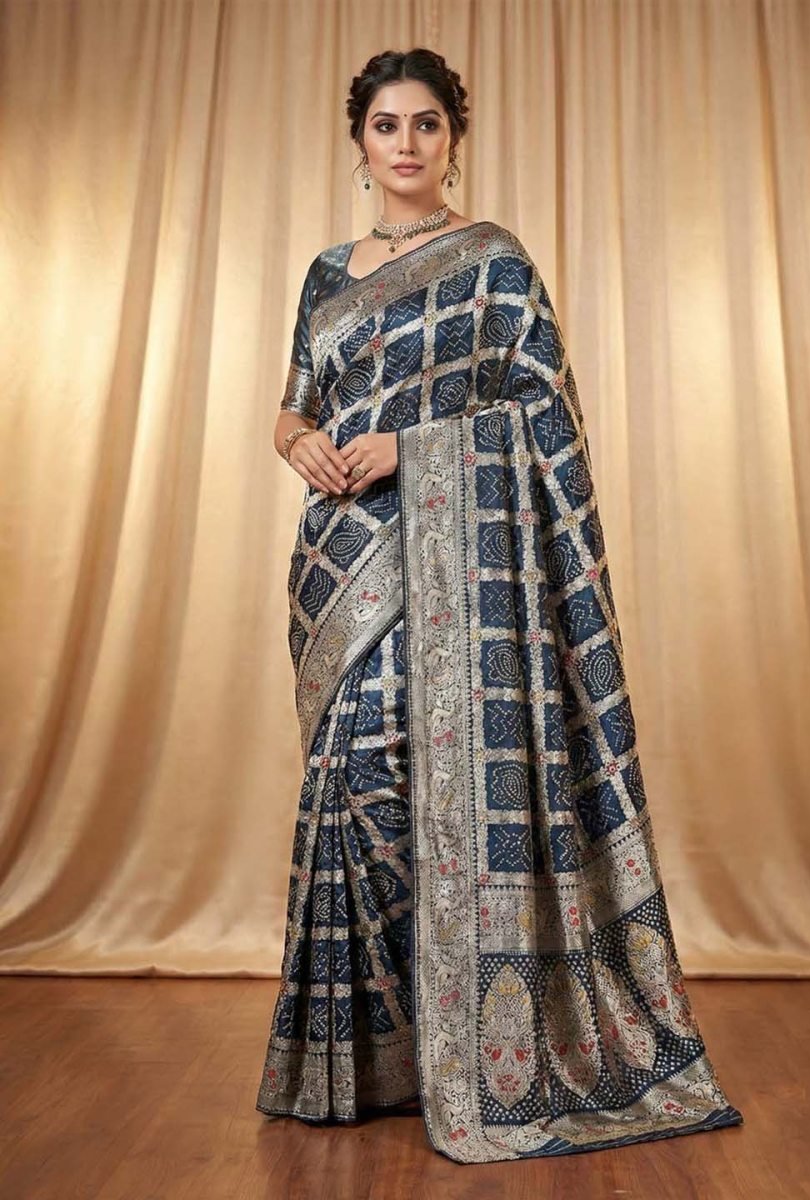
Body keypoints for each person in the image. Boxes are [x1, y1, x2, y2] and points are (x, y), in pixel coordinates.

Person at [256, 46, 744, 1166]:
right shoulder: (327, 275)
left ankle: (472, 1053)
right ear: (360, 143)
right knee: (353, 789)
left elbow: (546, 414)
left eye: (427, 124)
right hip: (340, 561)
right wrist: (301, 445)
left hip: (455, 566)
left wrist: (410, 448)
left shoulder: (494, 263)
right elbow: (290, 406)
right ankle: (373, 1061)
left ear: (453, 139)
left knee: (434, 783)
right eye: (388, 125)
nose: (408, 144)